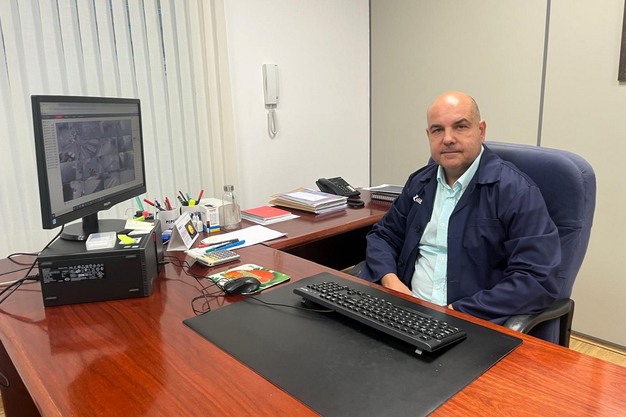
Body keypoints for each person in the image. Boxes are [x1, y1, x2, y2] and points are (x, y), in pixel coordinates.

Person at [359, 91, 562, 330]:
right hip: (405, 312)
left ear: (481, 130)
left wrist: (457, 312)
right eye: (437, 130)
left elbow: (536, 279)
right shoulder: (419, 183)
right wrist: (391, 282)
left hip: (471, 323)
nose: (448, 139)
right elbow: (383, 236)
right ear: (428, 135)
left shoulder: (516, 191)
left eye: (460, 127)